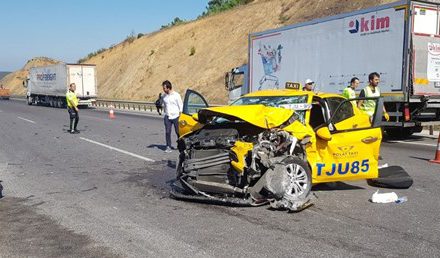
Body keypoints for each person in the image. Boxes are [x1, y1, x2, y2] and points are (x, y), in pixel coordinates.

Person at [162, 80, 183, 153]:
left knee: (178, 132)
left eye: (164, 88)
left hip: (176, 116)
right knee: (167, 132)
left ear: (168, 88)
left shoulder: (176, 95)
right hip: (167, 116)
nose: (163, 90)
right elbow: (164, 105)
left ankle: (180, 145)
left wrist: (180, 115)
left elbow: (181, 105)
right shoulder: (164, 96)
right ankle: (168, 146)